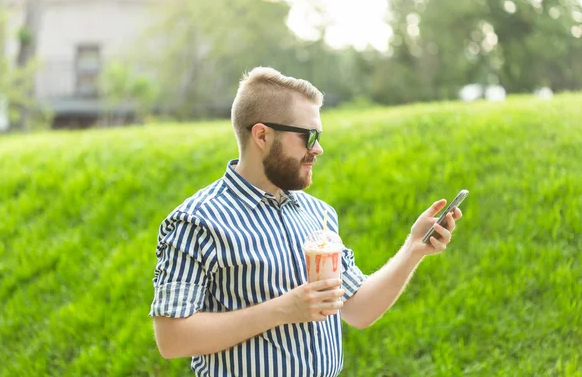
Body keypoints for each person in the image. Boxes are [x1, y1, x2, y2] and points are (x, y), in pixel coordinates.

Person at [149, 67, 463, 376]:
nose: (318, 148)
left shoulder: (318, 214)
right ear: (262, 135)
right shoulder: (196, 221)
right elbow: (172, 338)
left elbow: (357, 309)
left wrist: (413, 249)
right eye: (307, 136)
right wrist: (284, 309)